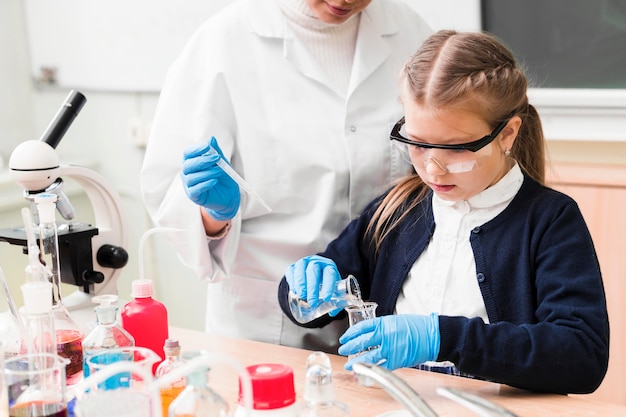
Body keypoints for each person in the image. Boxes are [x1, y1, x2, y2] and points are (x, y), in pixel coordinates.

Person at [278, 29, 609, 394]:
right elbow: (320, 299)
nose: (433, 170)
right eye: (417, 144)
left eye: (456, 149)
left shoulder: (550, 221)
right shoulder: (397, 210)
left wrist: (442, 337)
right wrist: (305, 290)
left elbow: (582, 355)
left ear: (507, 134)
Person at [140, 0, 432, 351]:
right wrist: (213, 215)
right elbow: (170, 190)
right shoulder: (224, 43)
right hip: (265, 323)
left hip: (383, 314)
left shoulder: (410, 34)